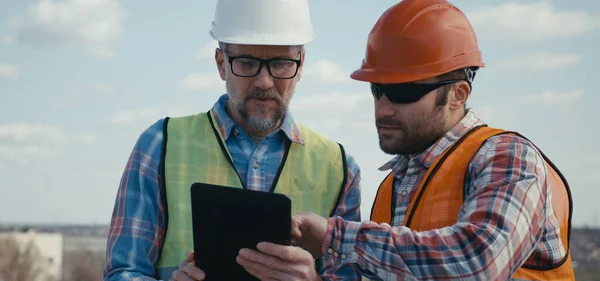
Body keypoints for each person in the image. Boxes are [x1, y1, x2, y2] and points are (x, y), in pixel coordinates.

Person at [288, 0, 576, 280]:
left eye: (404, 92)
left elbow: (476, 265)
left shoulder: (509, 158)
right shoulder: (392, 189)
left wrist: (334, 236)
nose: (383, 108)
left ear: (458, 94)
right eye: (378, 90)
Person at [101, 0, 363, 280]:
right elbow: (123, 271)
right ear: (221, 63)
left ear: (300, 66)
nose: (264, 81)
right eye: (247, 62)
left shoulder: (338, 167)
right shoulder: (160, 146)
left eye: (280, 63)